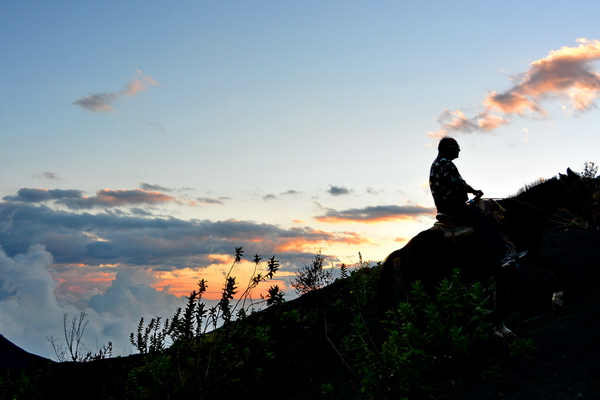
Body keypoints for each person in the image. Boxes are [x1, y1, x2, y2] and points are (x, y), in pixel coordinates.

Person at [429, 137, 523, 267]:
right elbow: (459, 184)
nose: (458, 152)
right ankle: (503, 255)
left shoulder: (437, 164)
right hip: (454, 206)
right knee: (484, 219)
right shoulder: (445, 163)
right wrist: (474, 191)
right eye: (455, 149)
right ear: (445, 149)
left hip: (446, 206)